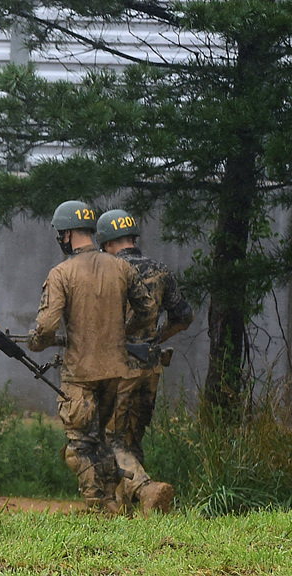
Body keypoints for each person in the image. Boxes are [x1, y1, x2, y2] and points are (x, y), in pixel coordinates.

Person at [26, 201, 160, 515]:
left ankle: (98, 505)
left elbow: (46, 325)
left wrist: (37, 342)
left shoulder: (62, 272)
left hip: (79, 374)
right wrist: (119, 332)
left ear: (69, 234)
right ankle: (117, 501)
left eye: (61, 233)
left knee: (80, 445)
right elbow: (149, 311)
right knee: (107, 439)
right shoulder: (121, 266)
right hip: (117, 371)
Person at [97, 209, 193, 509]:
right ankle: (129, 508)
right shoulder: (160, 269)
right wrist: (156, 339)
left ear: (107, 242)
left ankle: (147, 488)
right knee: (132, 440)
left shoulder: (108, 269)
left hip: (119, 368)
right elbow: (184, 316)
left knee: (109, 440)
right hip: (151, 366)